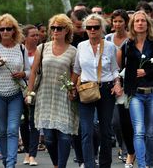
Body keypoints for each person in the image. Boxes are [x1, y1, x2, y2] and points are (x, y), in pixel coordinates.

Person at [26, 14, 79, 168]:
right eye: (53, 28)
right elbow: (34, 71)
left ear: (66, 30)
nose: (55, 31)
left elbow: (75, 73)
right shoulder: (42, 48)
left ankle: (61, 166)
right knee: (48, 137)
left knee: (64, 137)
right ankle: (56, 164)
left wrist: (71, 88)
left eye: (59, 28)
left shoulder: (73, 51)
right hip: (45, 95)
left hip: (64, 96)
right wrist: (29, 92)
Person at [72, 13, 122, 168]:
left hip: (106, 90)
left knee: (106, 131)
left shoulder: (109, 46)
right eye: (89, 27)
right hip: (87, 89)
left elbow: (114, 69)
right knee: (86, 131)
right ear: (86, 29)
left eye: (96, 27)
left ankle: (105, 164)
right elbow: (76, 69)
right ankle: (89, 164)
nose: (92, 30)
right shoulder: (81, 46)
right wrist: (71, 87)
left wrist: (118, 83)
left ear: (102, 28)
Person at [0, 14, 30, 168]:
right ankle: (6, 161)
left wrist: (22, 74)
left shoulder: (21, 48)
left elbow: (29, 72)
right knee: (1, 130)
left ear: (14, 30)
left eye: (8, 29)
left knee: (12, 129)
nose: (5, 32)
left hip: (16, 94)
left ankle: (10, 163)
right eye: (1, 29)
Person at [118, 11, 153, 168]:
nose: (140, 23)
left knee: (151, 133)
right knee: (139, 131)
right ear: (132, 24)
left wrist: (147, 71)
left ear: (147, 23)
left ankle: (149, 163)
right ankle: (142, 165)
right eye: (137, 21)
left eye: (143, 21)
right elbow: (121, 68)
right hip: (135, 93)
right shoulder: (127, 45)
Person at [106, 9, 135, 167]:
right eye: (115, 21)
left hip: (126, 84)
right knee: (115, 121)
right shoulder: (107, 39)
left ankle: (127, 150)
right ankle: (121, 146)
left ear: (126, 23)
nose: (117, 24)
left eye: (120, 21)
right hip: (109, 83)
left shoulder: (131, 40)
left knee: (124, 119)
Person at [20, 25, 40, 165]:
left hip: (37, 90)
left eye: (37, 35)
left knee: (34, 122)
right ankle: (27, 151)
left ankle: (33, 154)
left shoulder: (41, 50)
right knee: (23, 122)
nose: (36, 38)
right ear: (25, 37)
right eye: (33, 35)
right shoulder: (20, 50)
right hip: (21, 88)